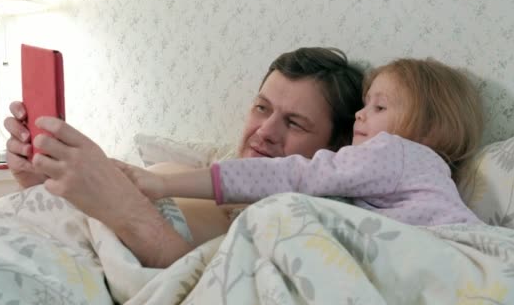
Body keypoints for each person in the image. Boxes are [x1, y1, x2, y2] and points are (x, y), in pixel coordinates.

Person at [3, 47, 364, 267]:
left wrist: (125, 208)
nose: (265, 130)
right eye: (261, 107)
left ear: (334, 150)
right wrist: (34, 180)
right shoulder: (197, 174)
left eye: (295, 123)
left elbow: (211, 289)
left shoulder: (299, 225)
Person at [126, 58, 485, 227]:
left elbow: (292, 176)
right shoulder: (424, 176)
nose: (362, 115)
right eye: (260, 108)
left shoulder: (395, 153)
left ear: (429, 131)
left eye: (378, 107)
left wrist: (163, 184)